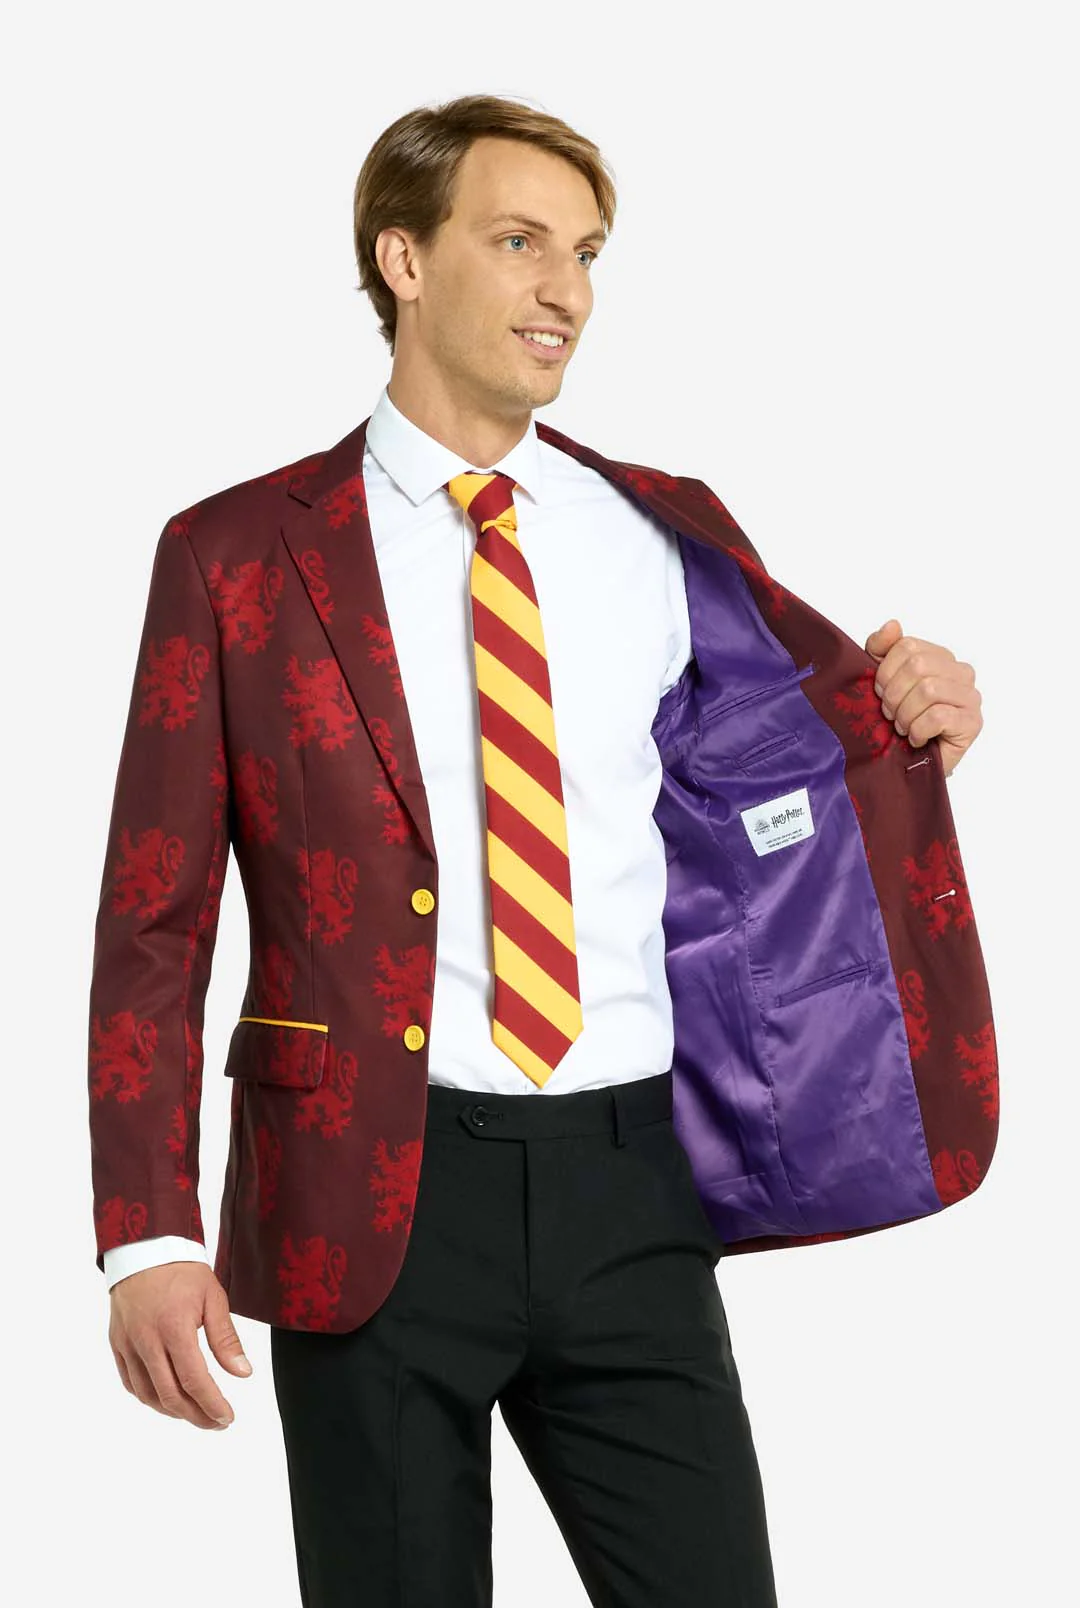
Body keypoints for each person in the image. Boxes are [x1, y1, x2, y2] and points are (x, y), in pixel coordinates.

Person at [89, 93, 988, 1607]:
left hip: (630, 1183)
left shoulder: (660, 530)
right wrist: (146, 1233)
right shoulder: (236, 554)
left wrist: (918, 714)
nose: (564, 286)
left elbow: (785, 772)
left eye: (585, 251)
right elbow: (153, 917)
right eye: (519, 242)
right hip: (367, 1187)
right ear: (405, 260)